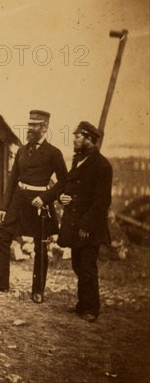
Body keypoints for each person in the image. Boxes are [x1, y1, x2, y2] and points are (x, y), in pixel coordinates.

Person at [0, 110, 67, 303]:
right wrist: (4, 207)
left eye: (34, 125)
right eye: (29, 124)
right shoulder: (22, 151)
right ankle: (1, 282)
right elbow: (13, 180)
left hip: (39, 204)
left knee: (40, 246)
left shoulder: (53, 153)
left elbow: (64, 181)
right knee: (1, 236)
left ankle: (37, 290)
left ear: (45, 127)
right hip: (18, 202)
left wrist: (46, 198)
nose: (29, 128)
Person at [57, 121, 112, 322]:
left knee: (87, 267)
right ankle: (82, 304)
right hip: (75, 225)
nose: (74, 140)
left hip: (89, 227)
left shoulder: (102, 165)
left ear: (89, 139)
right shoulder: (78, 161)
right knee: (78, 265)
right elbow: (71, 191)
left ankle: (91, 309)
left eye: (77, 136)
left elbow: (102, 202)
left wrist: (86, 226)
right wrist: (62, 197)